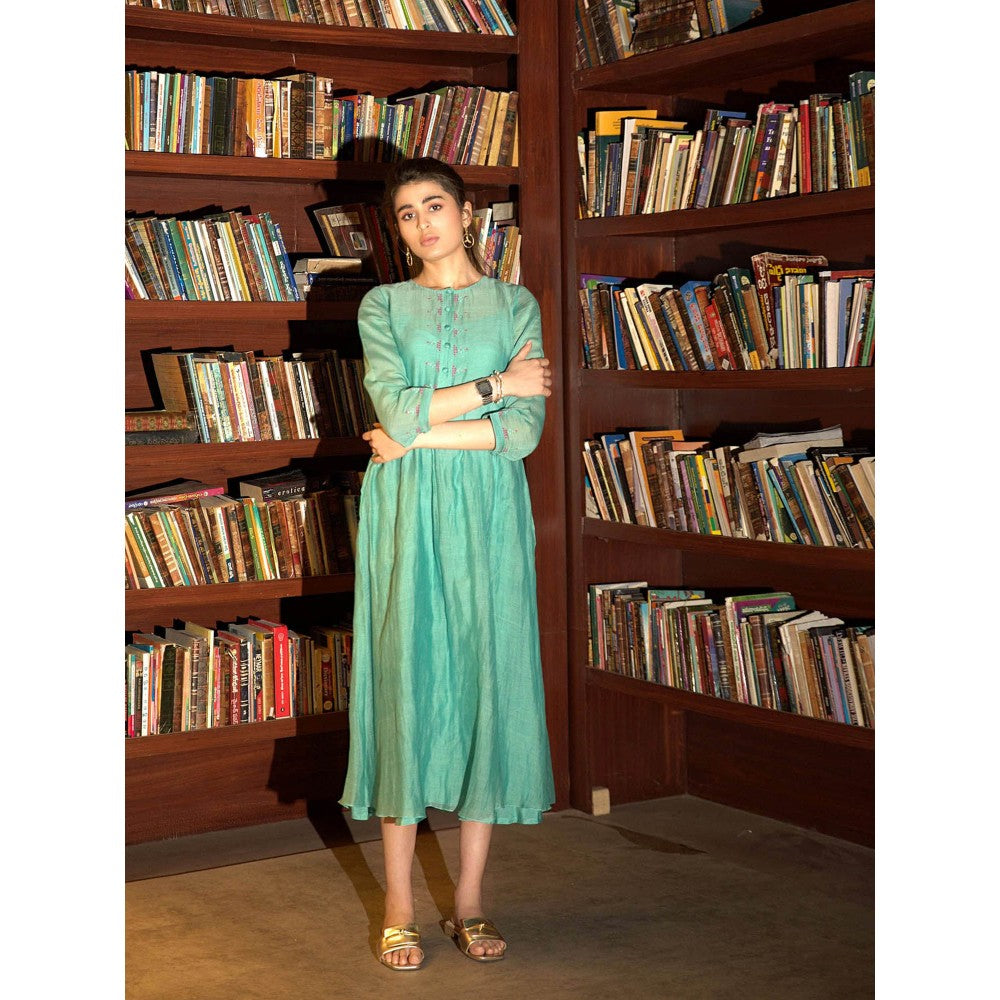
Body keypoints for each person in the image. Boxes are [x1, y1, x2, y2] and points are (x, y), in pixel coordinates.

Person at [338, 157, 556, 971]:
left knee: (483, 683)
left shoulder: (517, 303)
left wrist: (414, 435)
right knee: (407, 681)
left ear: (466, 213)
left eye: (435, 205)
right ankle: (399, 905)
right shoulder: (382, 305)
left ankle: (469, 901)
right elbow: (392, 406)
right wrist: (497, 384)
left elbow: (522, 436)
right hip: (405, 513)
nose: (423, 223)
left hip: (489, 515)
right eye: (406, 214)